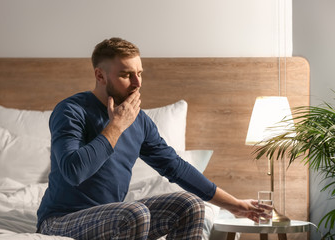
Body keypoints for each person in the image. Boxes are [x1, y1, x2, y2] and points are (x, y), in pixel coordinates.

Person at [37, 37, 268, 240]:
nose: (137, 84)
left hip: (114, 217)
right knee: (134, 213)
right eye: (126, 75)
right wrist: (116, 125)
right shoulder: (71, 110)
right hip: (61, 220)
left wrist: (236, 205)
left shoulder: (139, 121)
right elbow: (74, 171)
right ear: (100, 75)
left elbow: (175, 167)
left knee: (192, 205)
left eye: (139, 74)